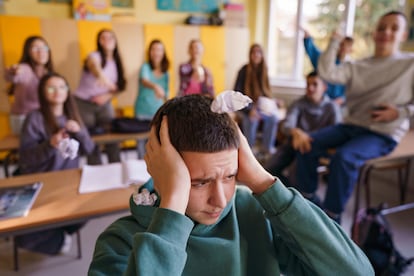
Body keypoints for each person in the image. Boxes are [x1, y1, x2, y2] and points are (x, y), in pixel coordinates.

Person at [88, 94, 373, 275]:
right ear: (161, 171)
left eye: (229, 176)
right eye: (199, 183)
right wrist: (173, 204)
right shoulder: (121, 241)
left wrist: (262, 181)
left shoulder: (257, 214)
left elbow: (357, 272)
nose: (221, 200)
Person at [296, 11, 414, 224]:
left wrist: (401, 112)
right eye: (381, 27)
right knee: (307, 143)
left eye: (394, 28)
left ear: (403, 35)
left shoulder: (410, 64)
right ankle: (309, 200)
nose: (386, 32)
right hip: (351, 126)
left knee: (343, 158)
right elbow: (326, 72)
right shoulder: (357, 66)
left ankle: (332, 217)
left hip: (382, 132)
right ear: (374, 33)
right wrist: (333, 41)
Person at [16, 72, 95, 255]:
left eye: (61, 87)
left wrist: (80, 131)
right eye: (51, 88)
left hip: (69, 183)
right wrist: (50, 145)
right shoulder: (34, 118)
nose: (57, 91)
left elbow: (89, 149)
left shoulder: (72, 116)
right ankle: (56, 236)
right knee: (24, 238)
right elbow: (26, 159)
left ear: (67, 91)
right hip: (43, 182)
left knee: (91, 208)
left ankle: (57, 229)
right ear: (43, 92)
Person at [265, 71, 342, 187]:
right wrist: (296, 132)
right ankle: (288, 190)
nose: (310, 88)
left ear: (324, 87)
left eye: (315, 84)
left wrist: (308, 138)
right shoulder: (298, 103)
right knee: (268, 169)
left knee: (298, 176)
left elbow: (336, 133)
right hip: (294, 144)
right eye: (308, 84)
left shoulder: (332, 107)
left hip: (319, 149)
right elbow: (286, 124)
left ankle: (301, 194)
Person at [74, 28, 126, 165]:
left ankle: (116, 166)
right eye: (103, 37)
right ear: (99, 41)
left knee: (112, 137)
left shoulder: (117, 62)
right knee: (91, 140)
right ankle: (95, 170)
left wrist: (107, 96)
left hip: (104, 103)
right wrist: (102, 77)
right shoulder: (94, 56)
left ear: (115, 42)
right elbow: (93, 65)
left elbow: (120, 86)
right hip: (84, 103)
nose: (107, 40)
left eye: (110, 37)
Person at [234, 43, 279, 156]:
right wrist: (250, 110)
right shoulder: (243, 71)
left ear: (262, 55)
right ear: (250, 55)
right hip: (245, 107)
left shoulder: (264, 71)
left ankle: (267, 149)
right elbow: (237, 95)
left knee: (273, 117)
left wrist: (274, 102)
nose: (256, 55)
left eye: (259, 52)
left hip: (261, 107)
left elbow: (266, 94)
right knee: (251, 119)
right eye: (253, 52)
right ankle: (249, 151)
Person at [4, 36, 54, 135]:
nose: (41, 52)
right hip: (23, 119)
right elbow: (13, 76)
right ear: (28, 52)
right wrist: (13, 72)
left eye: (44, 48)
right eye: (35, 48)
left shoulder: (47, 73)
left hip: (39, 117)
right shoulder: (25, 69)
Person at [134, 39, 169, 158]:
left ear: (163, 52)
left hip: (157, 112)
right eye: (153, 49)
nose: (156, 52)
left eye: (159, 49)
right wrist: (155, 86)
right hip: (142, 111)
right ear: (149, 52)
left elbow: (166, 93)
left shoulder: (165, 72)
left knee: (157, 144)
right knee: (141, 145)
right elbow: (144, 81)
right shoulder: (145, 67)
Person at [303, 28, 353, 106]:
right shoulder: (323, 60)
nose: (342, 48)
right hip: (320, 102)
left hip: (338, 105)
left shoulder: (349, 67)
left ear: (350, 50)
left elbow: (351, 90)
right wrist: (307, 38)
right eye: (340, 44)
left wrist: (340, 100)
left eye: (345, 46)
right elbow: (311, 50)